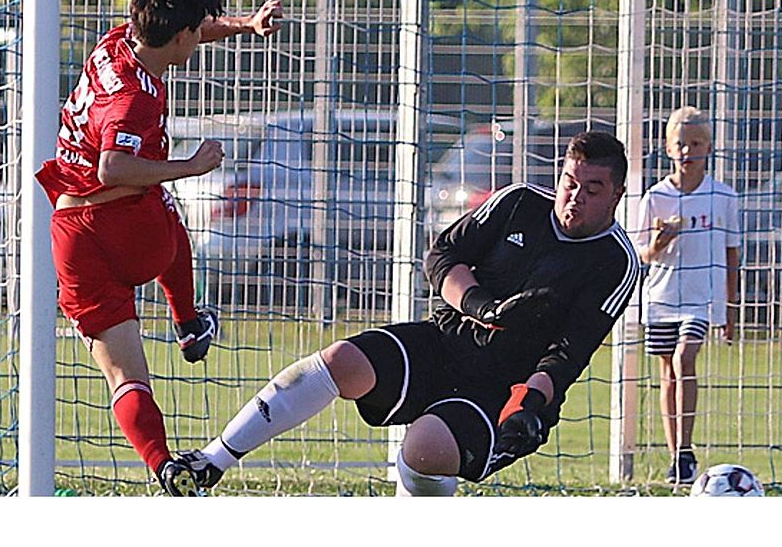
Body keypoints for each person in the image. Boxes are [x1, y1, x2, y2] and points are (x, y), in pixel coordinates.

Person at [174, 130, 639, 495]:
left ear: (617, 194)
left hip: (504, 387)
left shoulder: (617, 262)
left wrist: (531, 405)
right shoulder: (518, 202)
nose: (575, 196)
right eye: (569, 182)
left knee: (426, 448)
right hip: (445, 340)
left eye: (592, 189)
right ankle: (210, 463)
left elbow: (568, 353)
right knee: (341, 360)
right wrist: (483, 306)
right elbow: (441, 258)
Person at [34, 0, 282, 496]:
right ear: (177, 37)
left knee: (124, 377)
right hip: (127, 223)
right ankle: (188, 321)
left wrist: (244, 25)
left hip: (72, 236)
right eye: (197, 30)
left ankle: (164, 466)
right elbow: (114, 167)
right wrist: (190, 166)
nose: (200, 35)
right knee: (165, 204)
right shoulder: (137, 98)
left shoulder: (118, 40)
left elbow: (193, 27)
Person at [634, 106, 740, 485]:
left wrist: (730, 306)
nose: (687, 151)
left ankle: (687, 450)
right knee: (668, 373)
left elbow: (732, 255)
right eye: (681, 143)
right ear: (667, 148)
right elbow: (642, 253)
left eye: (696, 143)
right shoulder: (655, 197)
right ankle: (676, 457)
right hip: (662, 297)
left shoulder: (723, 197)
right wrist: (662, 240)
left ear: (708, 148)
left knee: (685, 357)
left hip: (701, 298)